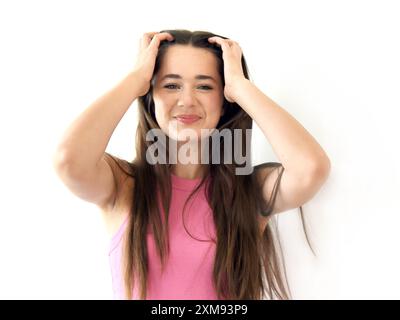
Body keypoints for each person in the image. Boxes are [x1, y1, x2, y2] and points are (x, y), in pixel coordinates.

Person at [52, 29, 331, 300]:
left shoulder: (249, 191)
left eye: (205, 86)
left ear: (224, 100)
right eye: (171, 85)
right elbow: (69, 160)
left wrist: (241, 87)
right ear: (151, 95)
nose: (187, 100)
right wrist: (135, 80)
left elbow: (310, 169)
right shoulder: (124, 186)